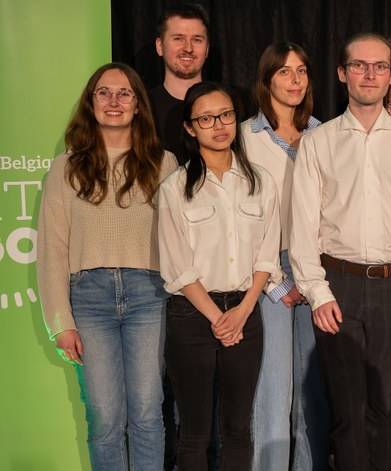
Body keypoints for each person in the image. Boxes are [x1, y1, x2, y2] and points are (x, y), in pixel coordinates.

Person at [289, 32, 391, 471]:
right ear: (343, 73)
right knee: (346, 413)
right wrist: (317, 293)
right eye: (359, 65)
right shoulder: (318, 142)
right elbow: (302, 227)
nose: (370, 74)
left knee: (381, 410)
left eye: (380, 66)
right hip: (337, 285)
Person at [37, 62, 178, 470]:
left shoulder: (163, 163)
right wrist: (60, 322)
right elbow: (52, 249)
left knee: (147, 412)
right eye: (104, 92)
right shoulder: (65, 167)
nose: (114, 101)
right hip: (89, 299)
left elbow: (179, 241)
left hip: (149, 295)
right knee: (104, 418)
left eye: (124, 93)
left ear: (138, 104)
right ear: (91, 102)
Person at [157, 82, 282, 470]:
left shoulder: (260, 181)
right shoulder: (175, 188)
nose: (219, 125)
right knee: (194, 431)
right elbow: (178, 267)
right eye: (206, 118)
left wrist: (242, 312)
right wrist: (219, 319)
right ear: (190, 128)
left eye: (226, 115)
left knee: (238, 428)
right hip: (192, 316)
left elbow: (267, 255)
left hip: (245, 312)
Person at [241, 42, 329, 471]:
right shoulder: (244, 136)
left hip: (318, 266)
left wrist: (313, 276)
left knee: (313, 394)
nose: (295, 80)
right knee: (273, 393)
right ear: (267, 79)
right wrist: (277, 282)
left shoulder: (324, 133)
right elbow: (239, 217)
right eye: (284, 72)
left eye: (302, 71)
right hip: (265, 269)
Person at [150, 3, 210, 164]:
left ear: (207, 49)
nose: (188, 48)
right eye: (178, 38)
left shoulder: (228, 106)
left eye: (197, 40)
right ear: (160, 46)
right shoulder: (142, 107)